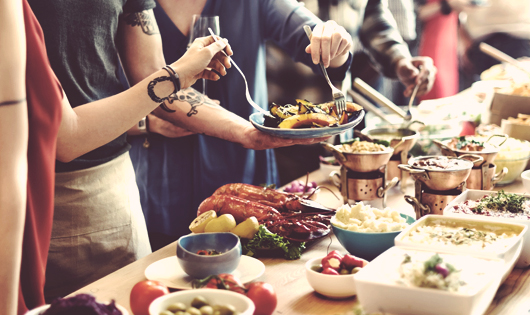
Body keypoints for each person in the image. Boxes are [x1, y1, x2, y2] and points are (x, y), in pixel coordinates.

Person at [28, 0, 345, 299]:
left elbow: (153, 76)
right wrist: (175, 79)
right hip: (76, 183)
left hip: (126, 185)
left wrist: (248, 133)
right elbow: (68, 132)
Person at [2, 0, 234, 312]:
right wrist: (178, 73)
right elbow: (65, 138)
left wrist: (250, 131)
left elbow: (152, 72)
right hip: (30, 194)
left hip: (115, 191)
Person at [129, 0, 355, 250]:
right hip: (161, 177)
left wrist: (334, 42)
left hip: (244, 177)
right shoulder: (130, 8)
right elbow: (93, 100)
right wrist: (144, 122)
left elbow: (318, 45)